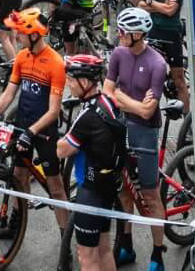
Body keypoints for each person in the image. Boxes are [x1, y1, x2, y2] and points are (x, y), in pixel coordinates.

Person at [0, 9, 69, 234]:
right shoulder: (22, 56)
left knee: (56, 187)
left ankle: (65, 242)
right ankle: (16, 222)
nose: (18, 37)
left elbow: (53, 111)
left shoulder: (55, 63)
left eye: (21, 33)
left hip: (43, 130)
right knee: (18, 177)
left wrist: (31, 132)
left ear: (34, 35)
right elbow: (9, 94)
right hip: (23, 124)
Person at [104, 7, 169, 271]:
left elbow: (147, 111)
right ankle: (127, 246)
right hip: (120, 126)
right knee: (123, 190)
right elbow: (107, 90)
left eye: (122, 31)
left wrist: (119, 97)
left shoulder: (158, 64)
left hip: (145, 132)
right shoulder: (118, 54)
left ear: (138, 34)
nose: (118, 35)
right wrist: (123, 99)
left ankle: (157, 254)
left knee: (151, 196)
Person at [57, 52, 125, 271]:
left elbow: (63, 150)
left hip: (90, 191)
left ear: (84, 81)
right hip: (108, 186)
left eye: (70, 79)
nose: (68, 84)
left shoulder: (87, 115)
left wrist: (55, 140)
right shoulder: (109, 101)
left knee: (86, 256)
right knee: (104, 248)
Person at [140, 0, 187, 104]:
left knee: (178, 79)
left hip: (171, 32)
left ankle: (188, 119)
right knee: (148, 75)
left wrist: (150, 2)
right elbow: (140, 5)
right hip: (153, 31)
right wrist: (160, 4)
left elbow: (170, 11)